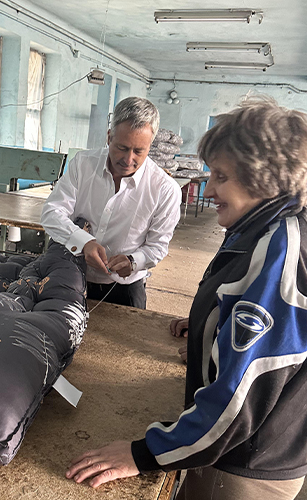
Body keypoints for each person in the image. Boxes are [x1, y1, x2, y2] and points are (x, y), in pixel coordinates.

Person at [65, 96, 307, 500]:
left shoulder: (281, 252)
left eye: (222, 177)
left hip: (241, 461)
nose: (208, 189)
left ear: (262, 178)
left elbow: (239, 399)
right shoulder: (260, 229)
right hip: (232, 448)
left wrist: (144, 454)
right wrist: (213, 326)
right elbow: (269, 330)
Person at [40, 97, 181, 309]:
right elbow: (52, 212)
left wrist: (134, 262)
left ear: (149, 146)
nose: (128, 159)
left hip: (125, 288)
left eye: (138, 151)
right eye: (122, 148)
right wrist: (84, 241)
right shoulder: (83, 165)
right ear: (109, 137)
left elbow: (158, 246)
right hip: (72, 277)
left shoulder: (165, 189)